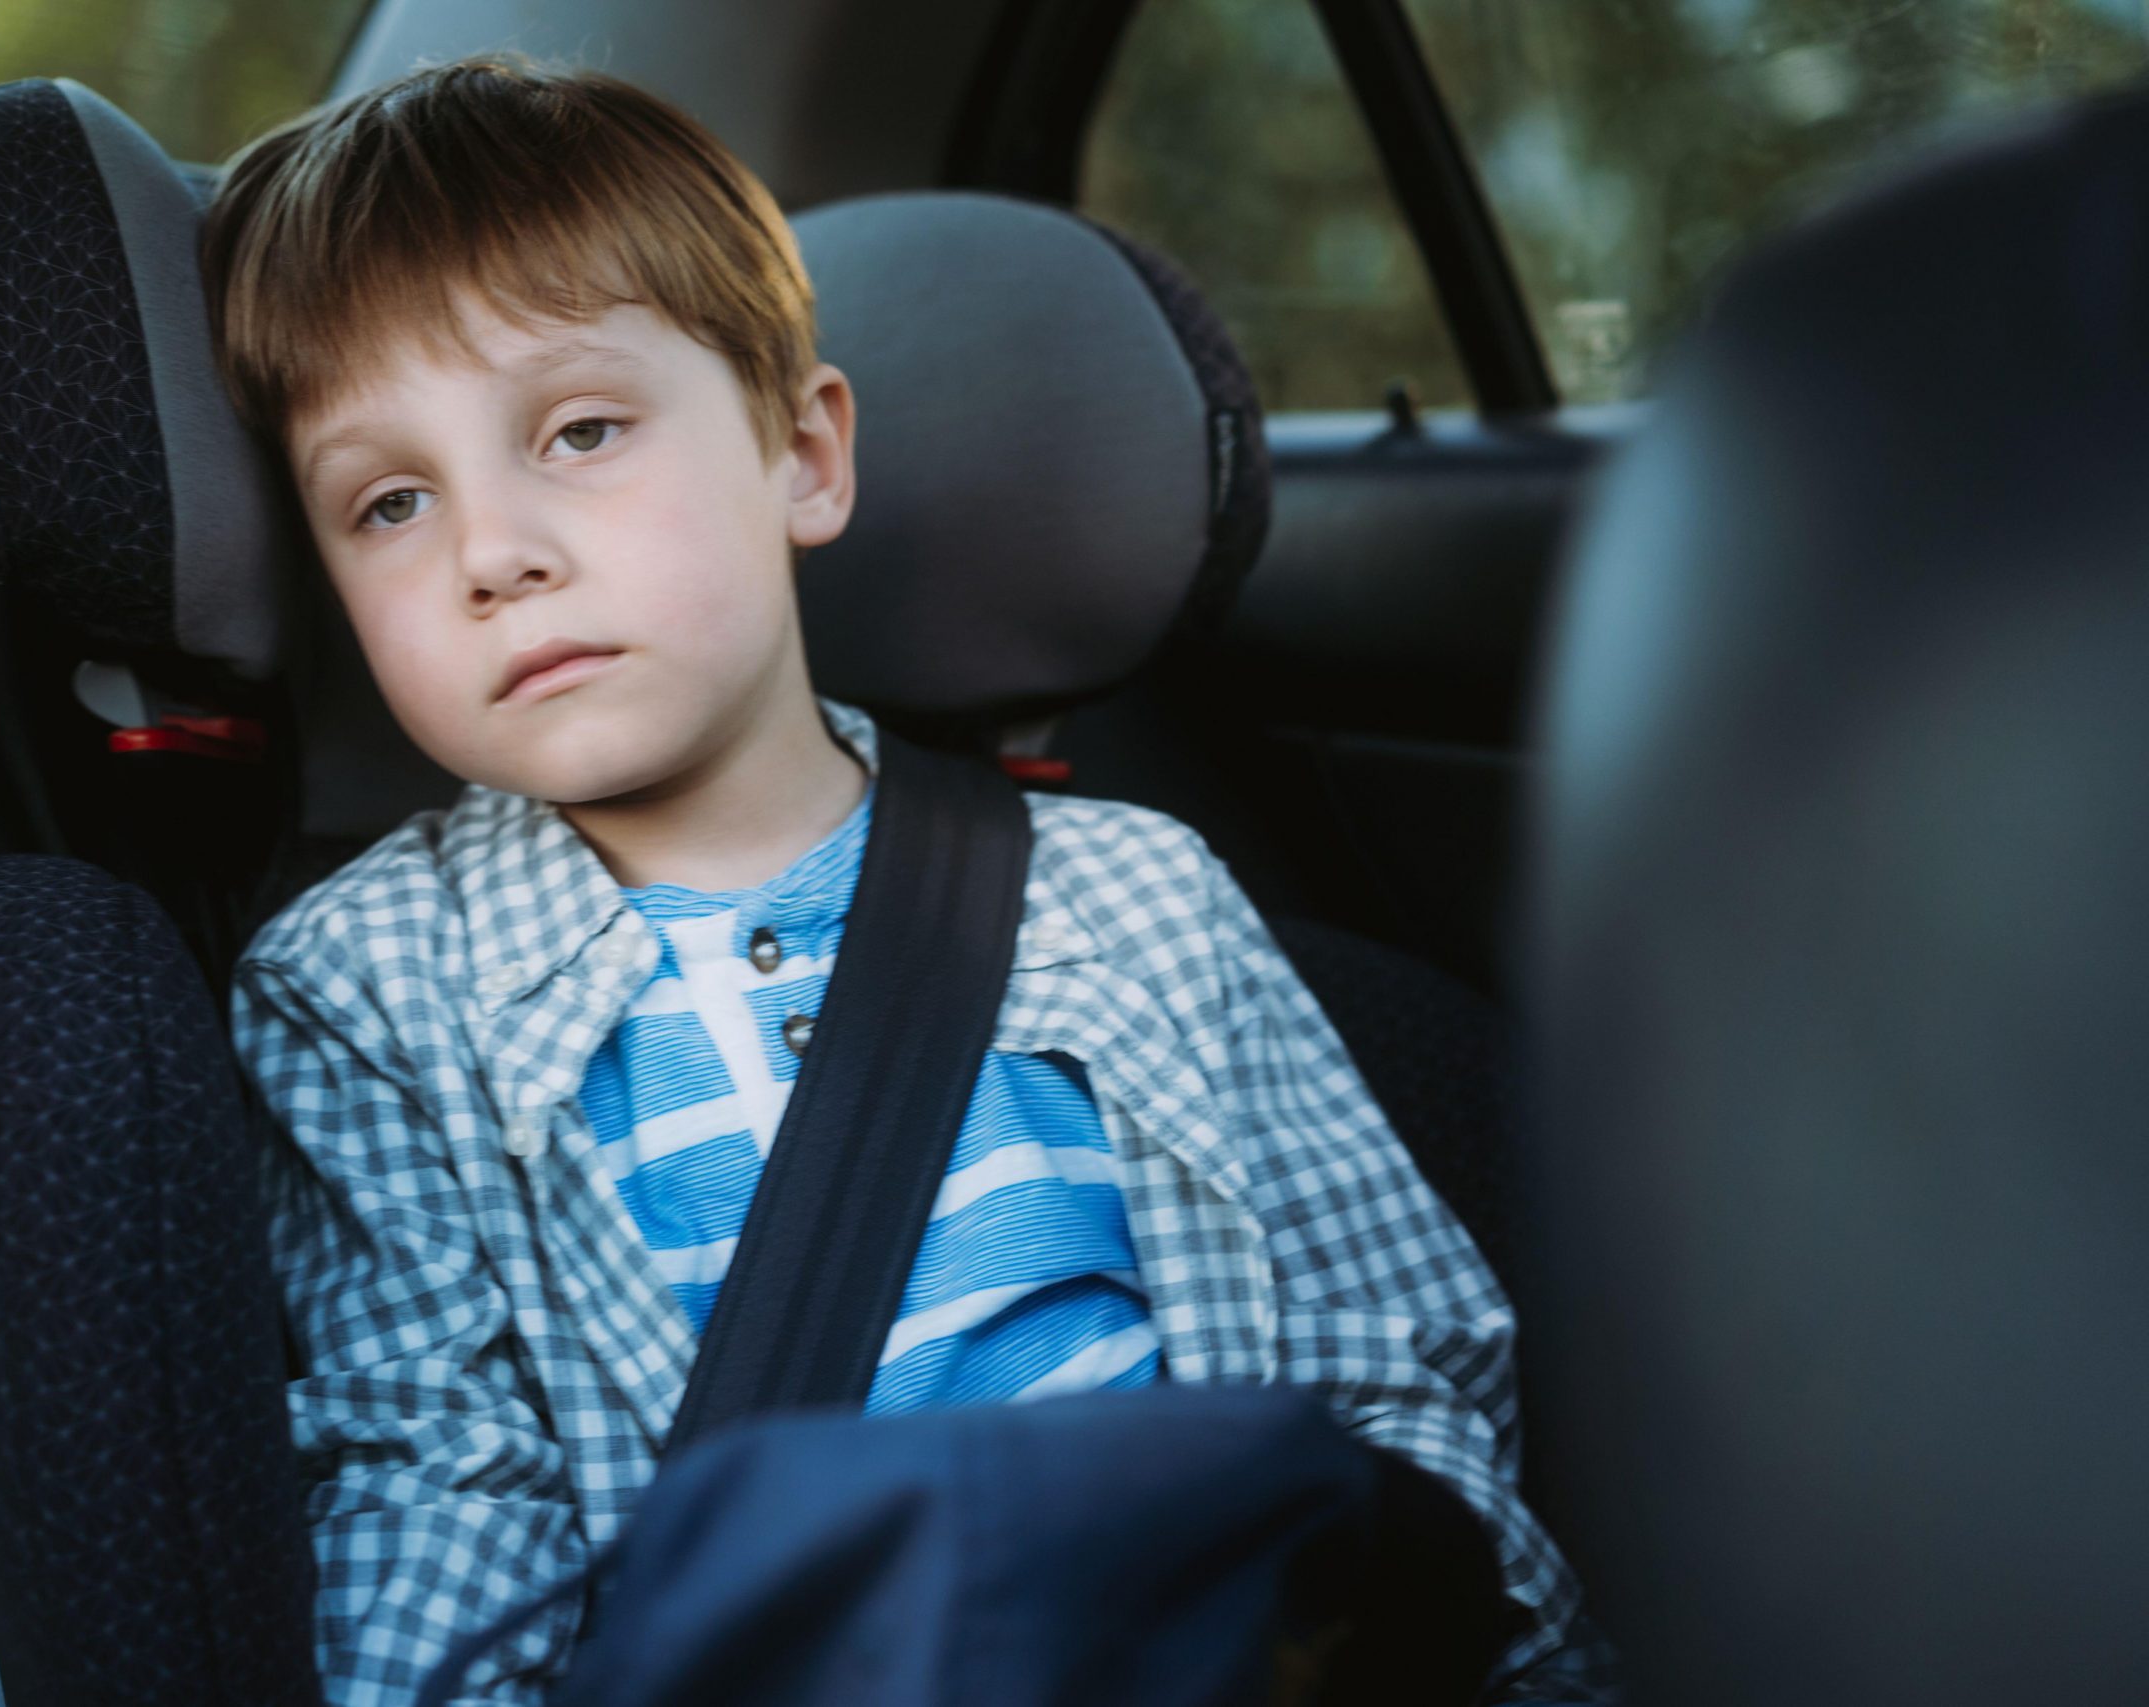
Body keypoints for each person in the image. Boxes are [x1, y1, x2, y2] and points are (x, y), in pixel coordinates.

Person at [202, 55, 1604, 1707]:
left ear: (803, 455)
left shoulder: (1136, 898)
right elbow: (436, 1488)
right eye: (390, 502)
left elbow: (1397, 1373)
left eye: (579, 430)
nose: (491, 551)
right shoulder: (362, 995)